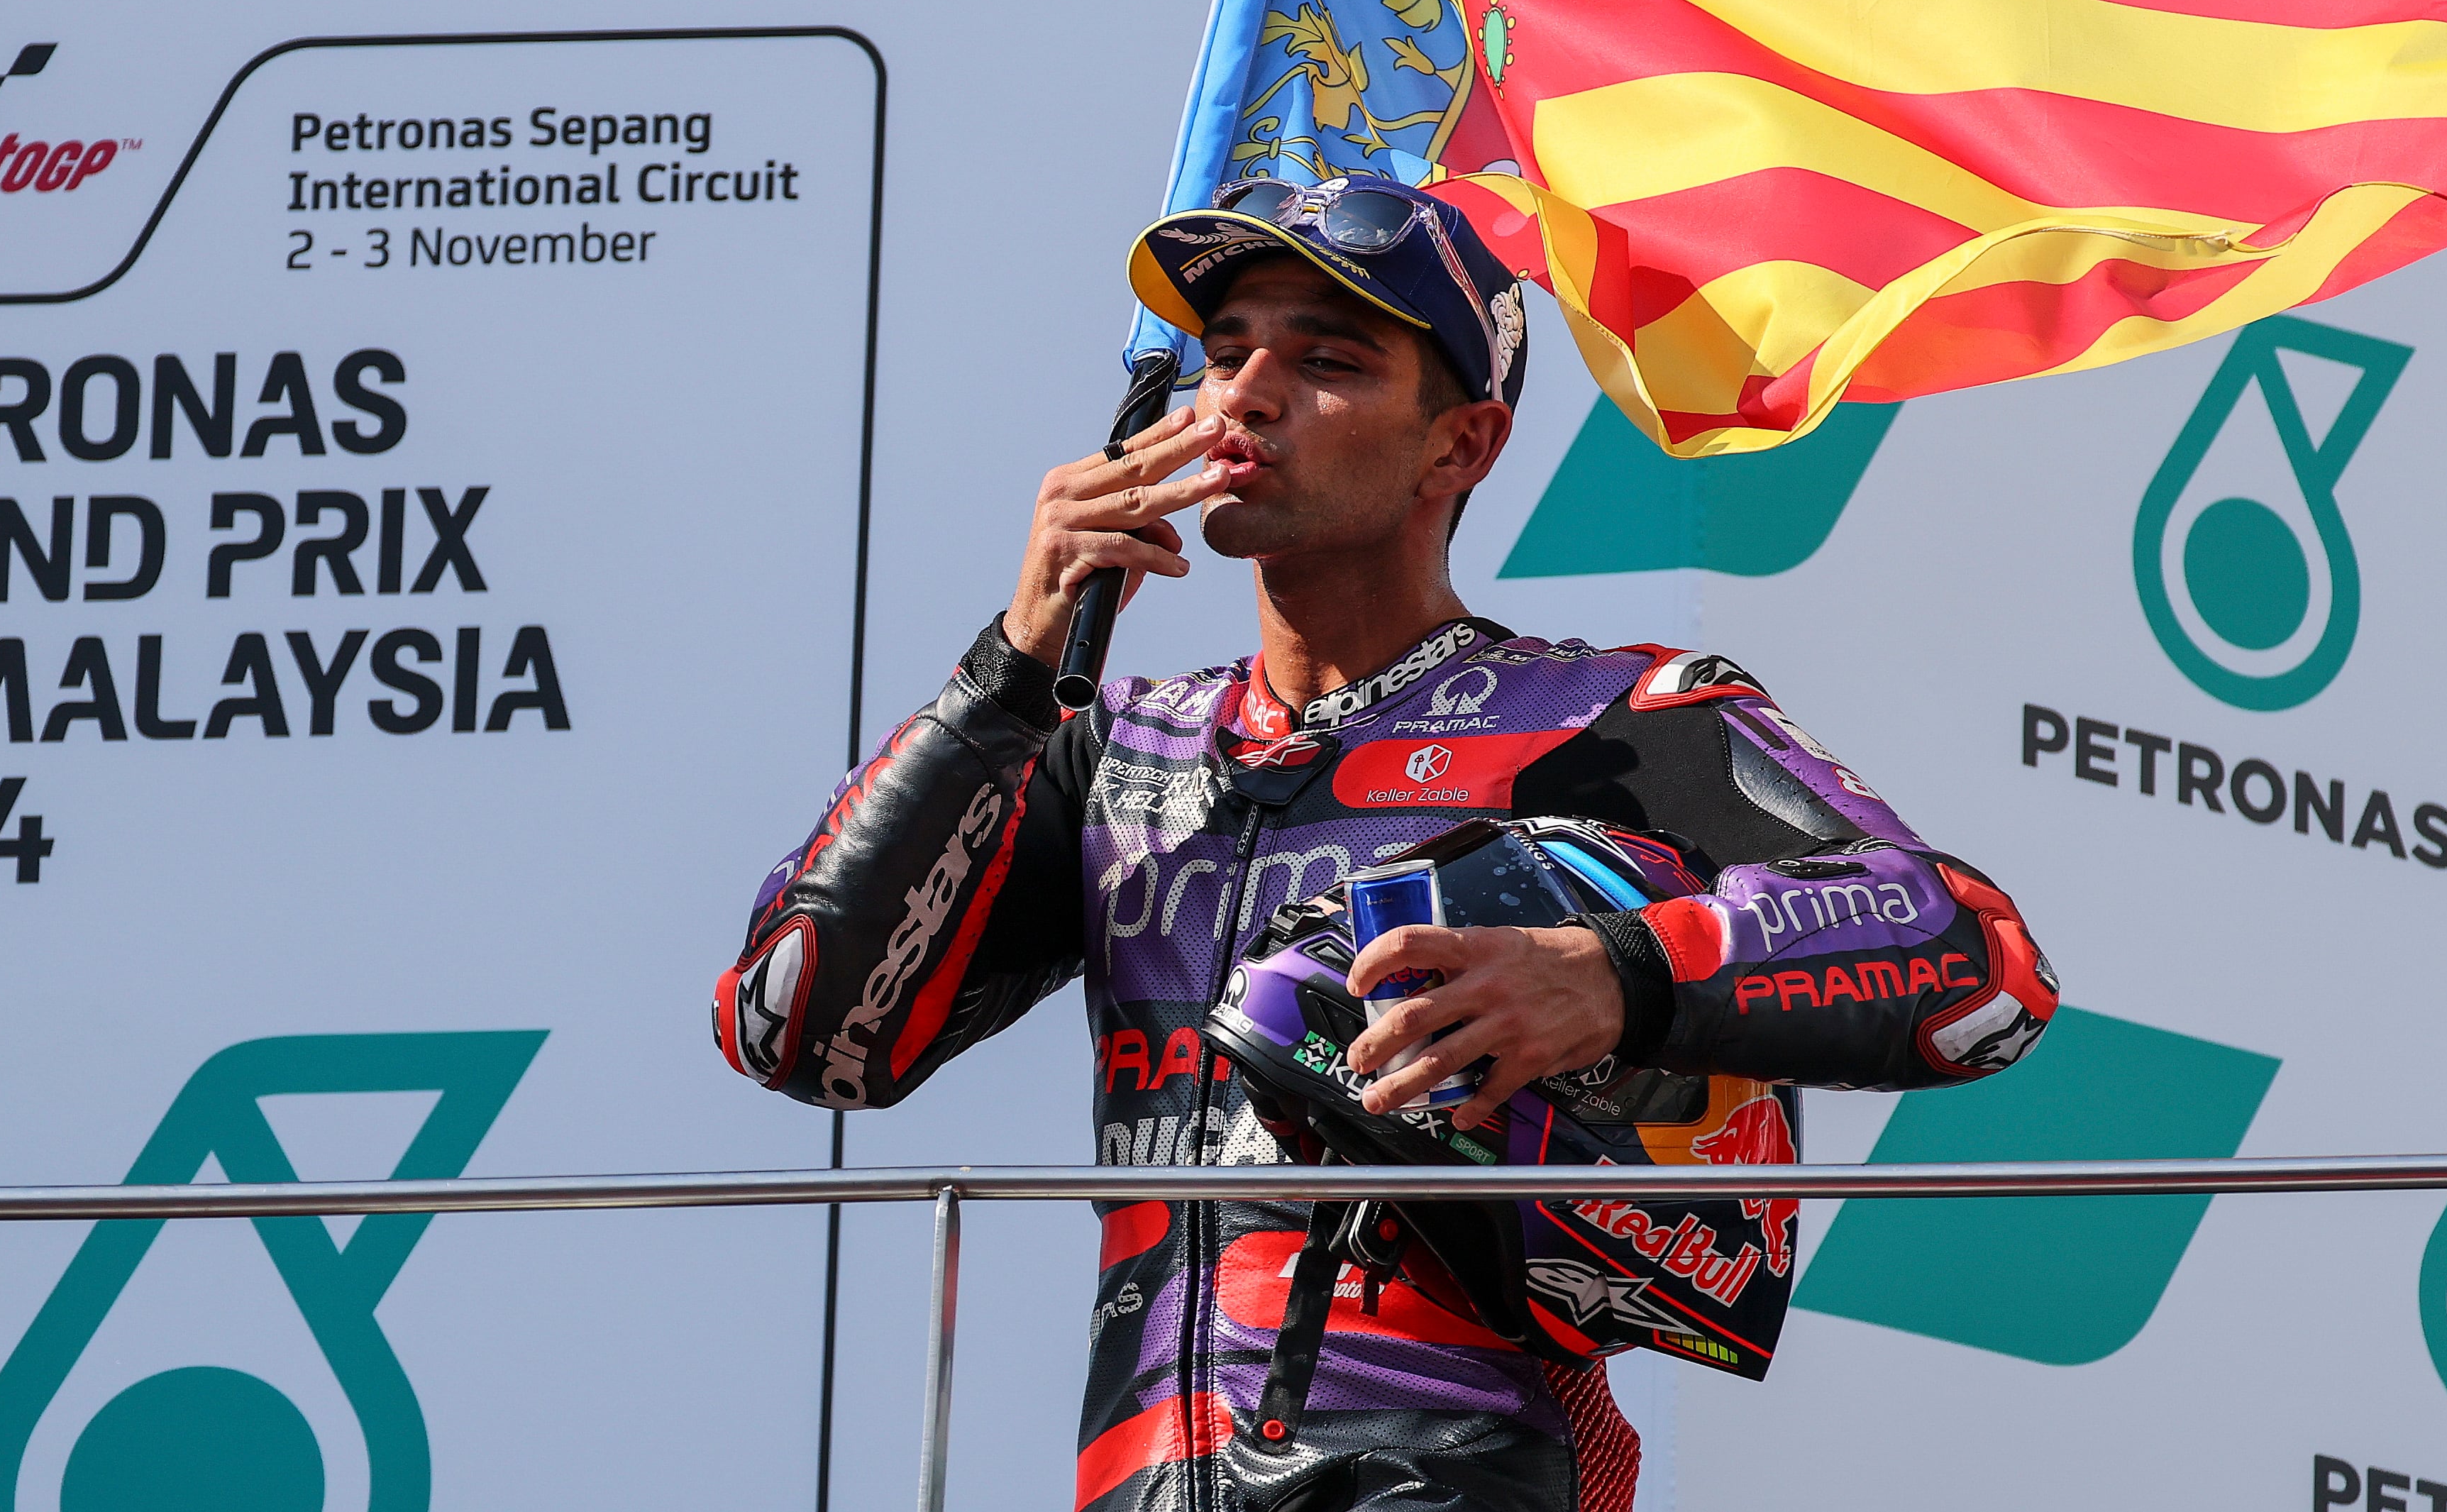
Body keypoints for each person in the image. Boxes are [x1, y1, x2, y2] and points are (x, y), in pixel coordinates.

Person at [717, 172, 2058, 1512]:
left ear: (1459, 446)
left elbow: (1980, 964)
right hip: (1129, 1483)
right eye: (1226, 350)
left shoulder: (1609, 716)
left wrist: (1610, 973)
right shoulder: (1110, 749)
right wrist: (1012, 667)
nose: (1243, 393)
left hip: (1451, 1472)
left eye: (1325, 358)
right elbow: (799, 1029)